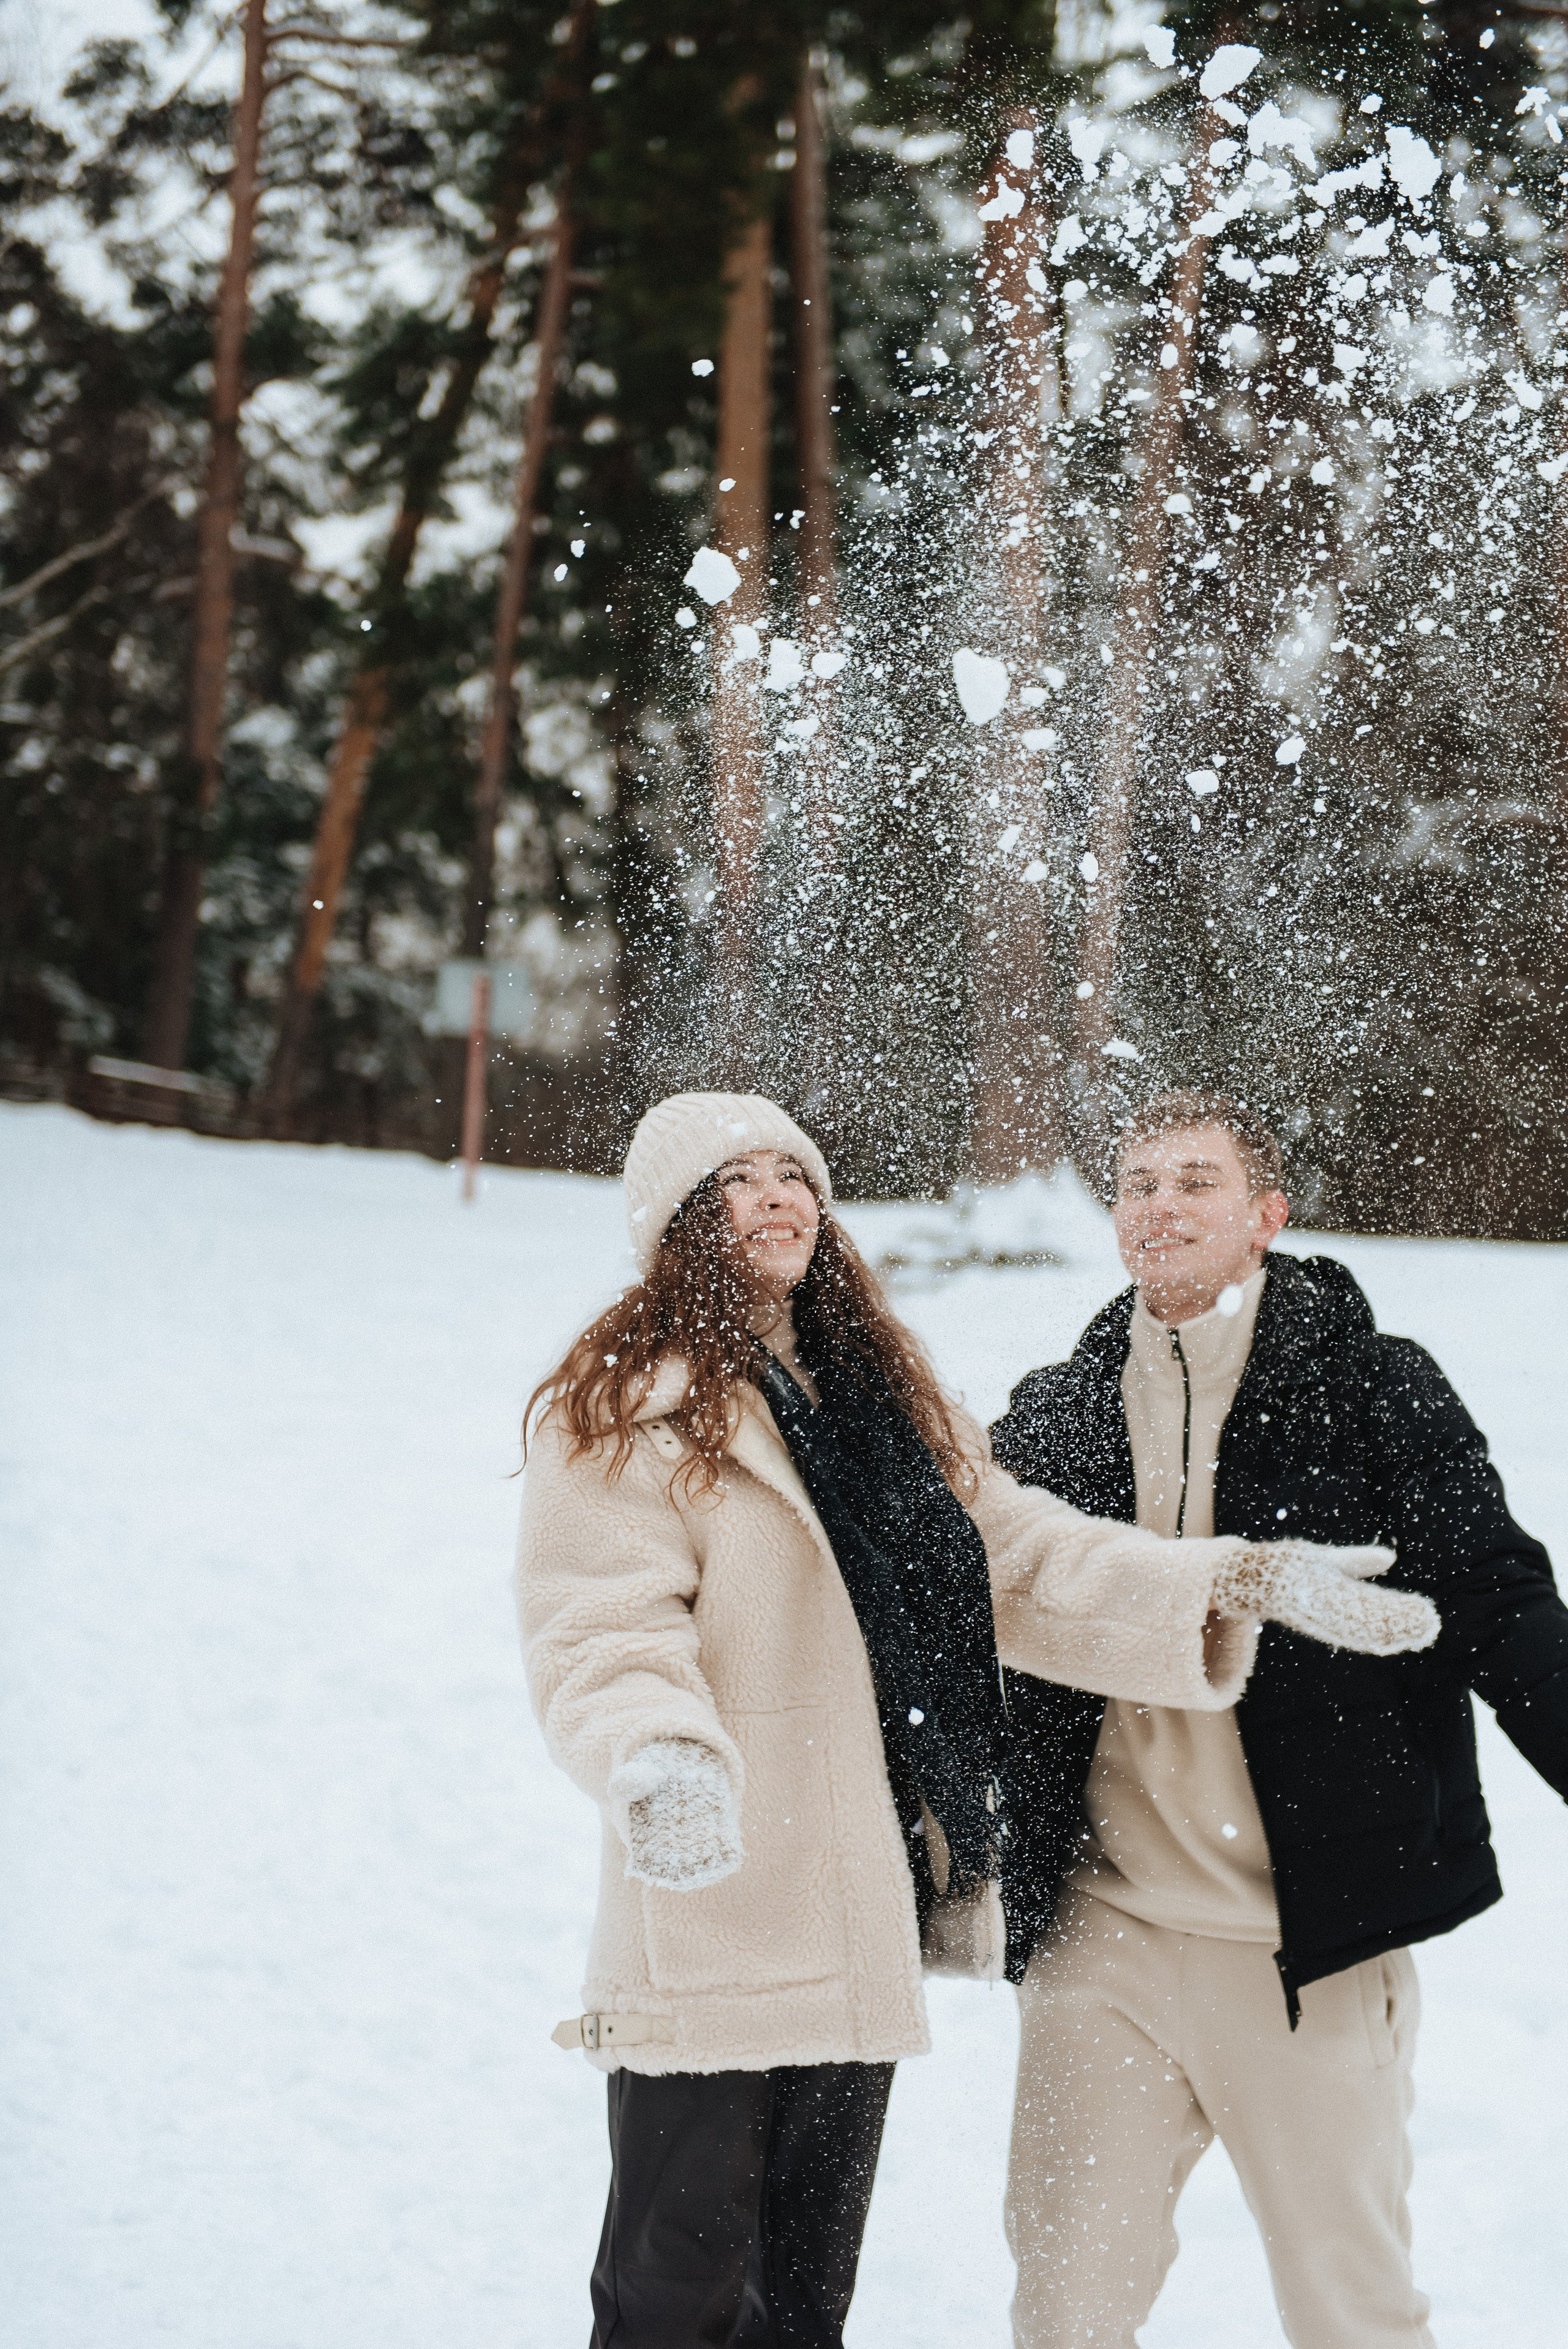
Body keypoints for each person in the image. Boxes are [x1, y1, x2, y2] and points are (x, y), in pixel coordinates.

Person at [516, 1090, 1437, 2349]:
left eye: (793, 1173)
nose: (777, 1196)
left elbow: (1024, 1557)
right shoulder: (625, 1409)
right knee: (672, 2296)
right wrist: (657, 1752)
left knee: (800, 2302)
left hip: (858, 1908)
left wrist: (1226, 1576)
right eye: (735, 1180)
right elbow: (600, 1624)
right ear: (677, 1219)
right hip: (717, 1901)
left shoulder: (879, 1402)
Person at [992, 1088, 1568, 2349]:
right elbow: (964, 1590)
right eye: (1136, 1182)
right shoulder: (1056, 1412)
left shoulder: (1373, 1389)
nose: (1158, 1204)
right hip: (1107, 1934)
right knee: (1061, 2314)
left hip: (1306, 1940)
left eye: (1194, 1180)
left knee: (1351, 2315)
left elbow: (1493, 1594)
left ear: (1265, 1216)